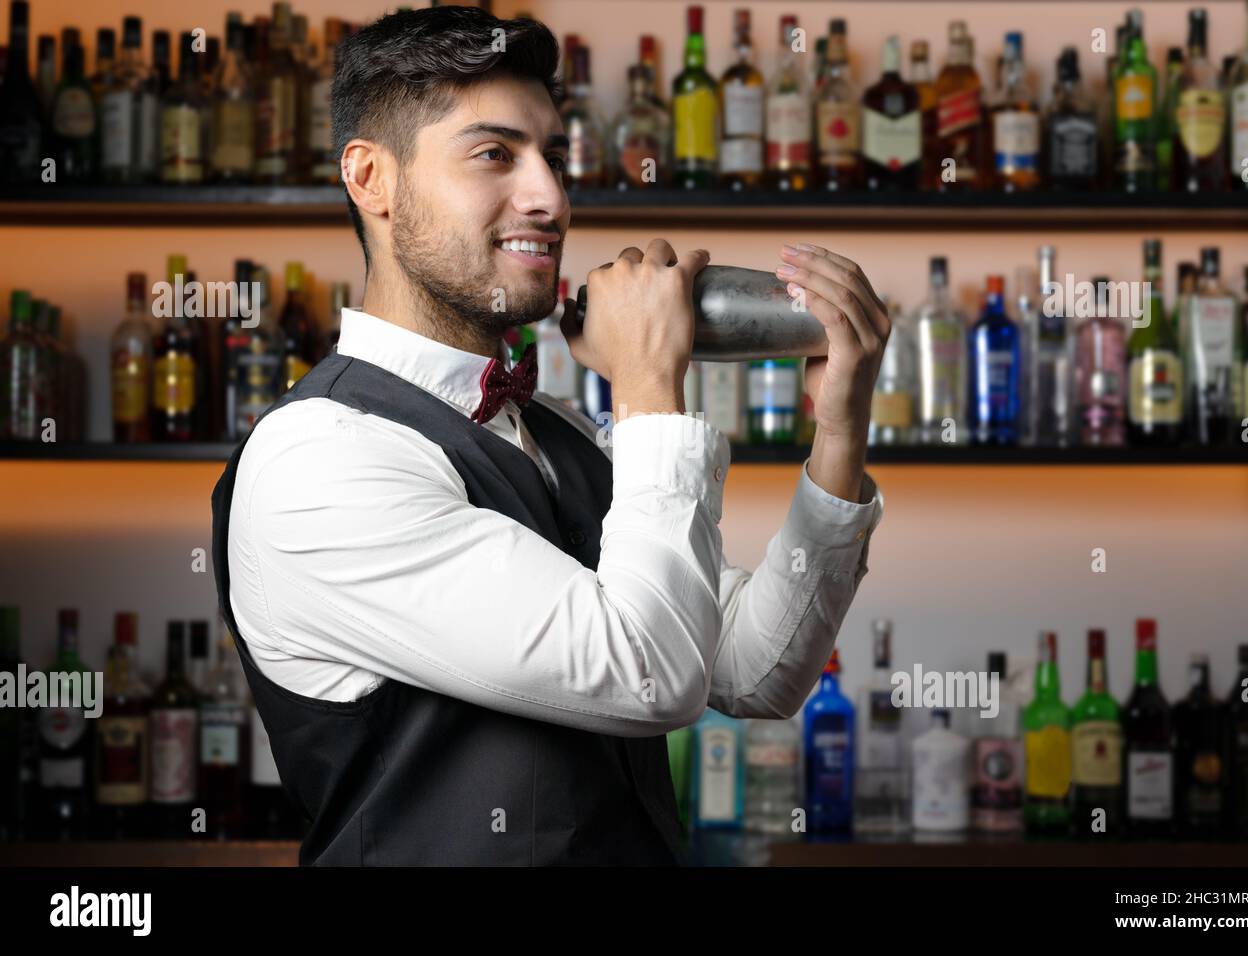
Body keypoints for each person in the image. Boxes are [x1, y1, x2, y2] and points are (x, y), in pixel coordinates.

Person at [212, 6, 890, 865]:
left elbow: (757, 672)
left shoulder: (560, 435)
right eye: (495, 154)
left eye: (555, 158)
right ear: (371, 179)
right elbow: (649, 674)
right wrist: (648, 384)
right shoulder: (317, 461)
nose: (552, 199)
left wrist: (839, 433)